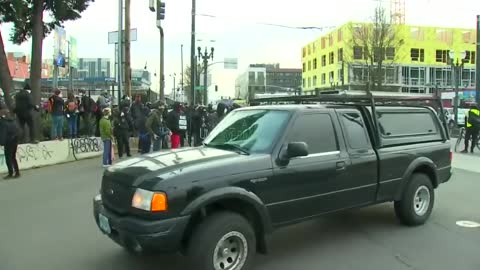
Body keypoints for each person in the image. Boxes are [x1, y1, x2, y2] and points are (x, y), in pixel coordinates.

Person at [0, 105, 20, 179]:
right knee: (13, 157)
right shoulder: (13, 120)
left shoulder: (3, 122)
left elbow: (3, 133)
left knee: (8, 158)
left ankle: (10, 173)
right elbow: (17, 130)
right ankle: (17, 172)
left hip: (8, 142)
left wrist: (1, 143)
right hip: (15, 140)